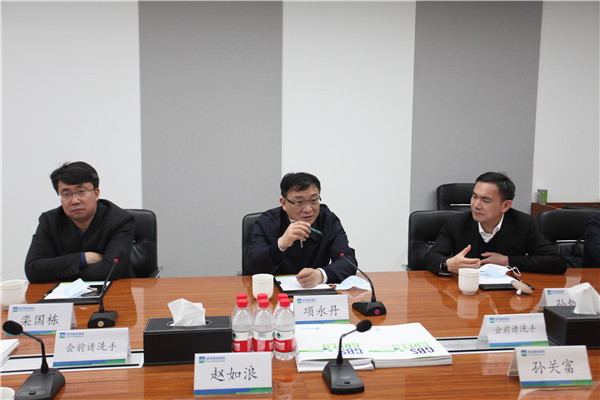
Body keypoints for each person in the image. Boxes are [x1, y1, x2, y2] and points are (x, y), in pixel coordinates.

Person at [424, 172, 567, 275]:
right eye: (474, 197)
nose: (476, 205)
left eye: (485, 200)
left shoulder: (522, 223)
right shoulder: (456, 223)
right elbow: (430, 257)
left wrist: (508, 260)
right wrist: (447, 264)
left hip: (504, 296)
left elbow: (557, 262)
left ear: (505, 206)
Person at [25, 162, 135, 283]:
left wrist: (56, 273)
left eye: (81, 191)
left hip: (115, 290)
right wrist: (84, 258)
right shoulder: (50, 221)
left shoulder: (120, 221)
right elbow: (33, 270)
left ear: (96, 193)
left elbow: (110, 270)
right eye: (66, 194)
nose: (74, 201)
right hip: (64, 292)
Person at [248, 172, 357, 288]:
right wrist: (281, 244)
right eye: (299, 202)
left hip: (315, 292)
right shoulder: (267, 222)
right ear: (284, 203)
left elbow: (349, 261)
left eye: (314, 200)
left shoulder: (328, 220)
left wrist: (320, 275)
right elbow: (255, 267)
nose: (308, 209)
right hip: (274, 292)